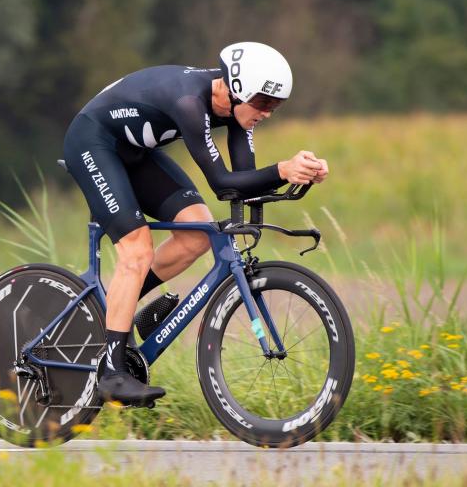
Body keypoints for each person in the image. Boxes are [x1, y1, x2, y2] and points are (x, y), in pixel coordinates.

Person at [63, 41, 329, 406]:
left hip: (134, 154)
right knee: (137, 249)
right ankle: (112, 372)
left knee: (197, 231)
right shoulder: (190, 102)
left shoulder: (237, 112)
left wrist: (300, 174)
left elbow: (244, 182)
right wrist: (281, 169)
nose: (268, 113)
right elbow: (222, 184)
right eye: (265, 103)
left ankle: (116, 312)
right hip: (93, 141)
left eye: (276, 106)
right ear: (236, 88)